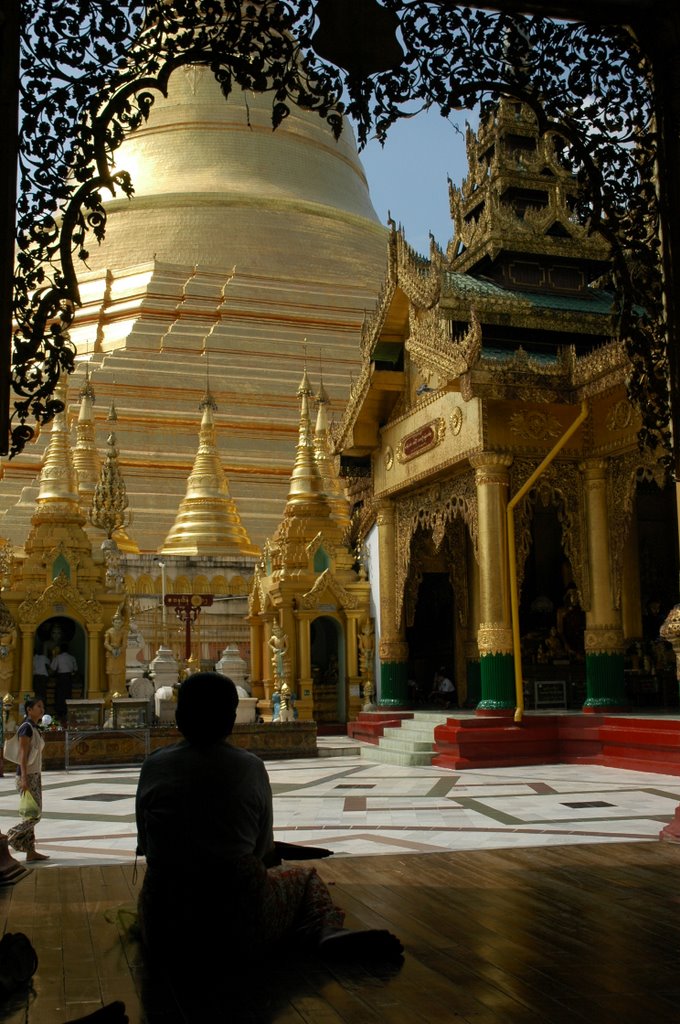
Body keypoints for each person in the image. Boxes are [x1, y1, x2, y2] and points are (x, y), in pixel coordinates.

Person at [135, 672, 402, 997]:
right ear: (232, 719)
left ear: (178, 717)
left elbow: (147, 845)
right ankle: (325, 931)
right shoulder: (248, 767)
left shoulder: (154, 765)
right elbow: (262, 853)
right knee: (305, 880)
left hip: (167, 923)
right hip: (235, 921)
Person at [7, 697, 49, 863]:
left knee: (30, 812)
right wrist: (24, 778)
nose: (41, 709)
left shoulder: (34, 727)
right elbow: (22, 755)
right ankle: (12, 834)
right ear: (29, 710)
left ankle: (30, 851)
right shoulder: (26, 728)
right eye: (38, 706)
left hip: (34, 774)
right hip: (27, 775)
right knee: (34, 814)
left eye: (42, 706)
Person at [51, 645, 78, 721]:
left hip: (60, 677)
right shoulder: (72, 658)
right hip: (68, 678)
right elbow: (75, 668)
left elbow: (53, 667)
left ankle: (59, 712)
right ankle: (66, 711)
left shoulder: (58, 657)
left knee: (59, 695)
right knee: (67, 694)